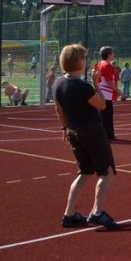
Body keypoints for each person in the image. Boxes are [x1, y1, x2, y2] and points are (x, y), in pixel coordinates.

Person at [53, 43, 121, 230]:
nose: (85, 61)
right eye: (84, 58)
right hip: (91, 131)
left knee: (84, 172)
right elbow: (101, 105)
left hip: (73, 130)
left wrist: (64, 128)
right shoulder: (83, 86)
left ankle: (69, 214)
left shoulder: (58, 83)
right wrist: (96, 83)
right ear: (79, 61)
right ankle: (97, 212)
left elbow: (58, 109)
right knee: (107, 171)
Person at [96, 47, 119, 141]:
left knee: (106, 115)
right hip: (105, 94)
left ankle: (110, 134)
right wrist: (120, 92)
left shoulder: (100, 64)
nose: (113, 54)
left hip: (102, 92)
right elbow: (109, 82)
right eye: (112, 53)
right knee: (106, 116)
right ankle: (106, 136)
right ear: (109, 54)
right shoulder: (106, 65)